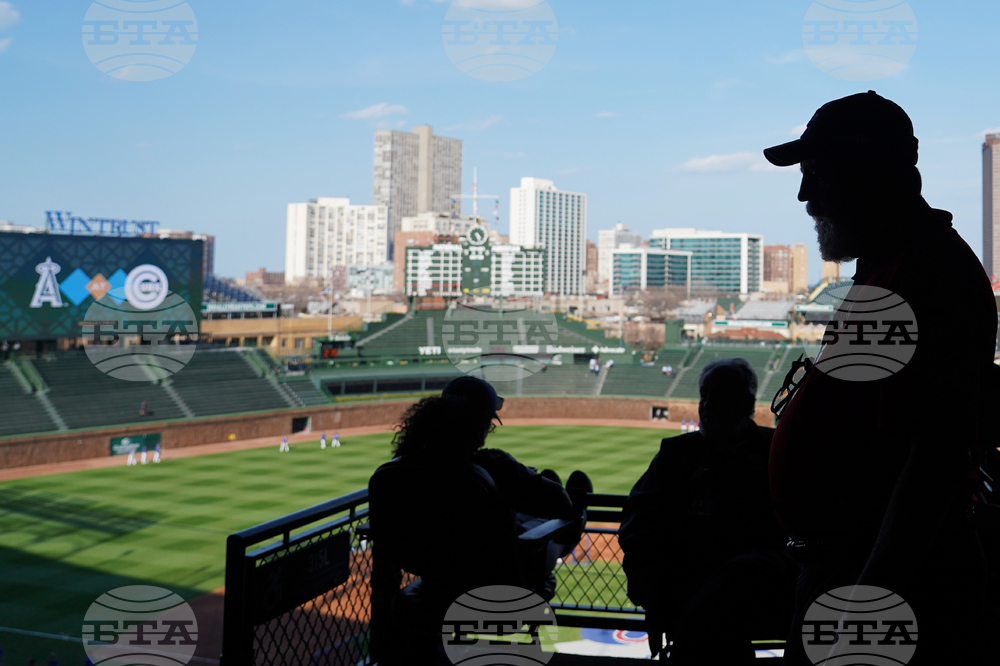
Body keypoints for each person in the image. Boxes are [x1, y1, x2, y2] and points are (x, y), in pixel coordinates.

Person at [763, 91, 998, 664]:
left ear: (868, 171)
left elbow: (933, 459)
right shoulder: (893, 265)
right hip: (851, 570)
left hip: (880, 585)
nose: (804, 194)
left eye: (816, 172)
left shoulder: (925, 270)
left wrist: (867, 601)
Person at [620, 358, 797, 663]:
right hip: (695, 580)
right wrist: (641, 565)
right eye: (705, 396)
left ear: (746, 404)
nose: (707, 407)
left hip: (751, 584)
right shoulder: (675, 454)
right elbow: (639, 513)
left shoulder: (776, 451)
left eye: (720, 397)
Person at [391, 376, 589, 598]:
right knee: (568, 515)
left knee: (520, 516)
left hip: (436, 575)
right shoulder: (493, 466)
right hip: (505, 577)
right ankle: (568, 538)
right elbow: (561, 504)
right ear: (483, 424)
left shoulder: (401, 470)